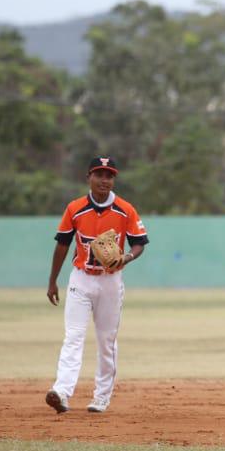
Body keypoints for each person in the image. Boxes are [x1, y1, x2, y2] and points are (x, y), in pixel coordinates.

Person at [45, 156, 148, 414]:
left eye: (109, 176)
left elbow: (140, 243)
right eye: (99, 174)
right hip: (81, 277)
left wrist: (127, 256)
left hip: (111, 280)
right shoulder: (75, 209)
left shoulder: (125, 210)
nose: (105, 180)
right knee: (73, 336)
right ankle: (62, 391)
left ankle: (101, 396)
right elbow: (62, 244)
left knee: (106, 341)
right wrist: (52, 281)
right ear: (88, 177)